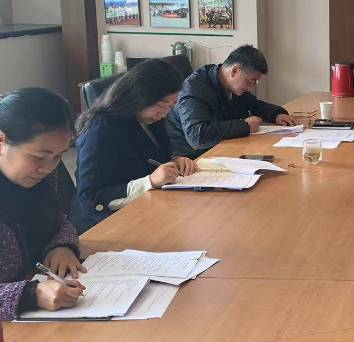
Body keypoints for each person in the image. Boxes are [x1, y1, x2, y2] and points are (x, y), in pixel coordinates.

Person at [70, 59, 199, 234]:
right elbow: (91, 198)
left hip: (150, 207)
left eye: (171, 106)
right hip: (104, 224)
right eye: (162, 106)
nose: (165, 113)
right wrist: (149, 181)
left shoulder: (151, 118)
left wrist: (174, 162)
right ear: (139, 97)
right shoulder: (100, 128)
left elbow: (149, 158)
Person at [0, 88, 86, 320]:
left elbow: (58, 221)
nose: (48, 168)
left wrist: (61, 246)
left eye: (58, 156)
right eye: (38, 157)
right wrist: (30, 295)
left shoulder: (41, 176)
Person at [166, 45, 296, 158]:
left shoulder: (228, 84)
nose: (253, 86)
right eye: (252, 81)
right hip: (190, 157)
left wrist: (276, 114)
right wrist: (244, 126)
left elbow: (254, 105)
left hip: (221, 147)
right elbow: (197, 137)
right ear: (235, 71)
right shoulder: (195, 89)